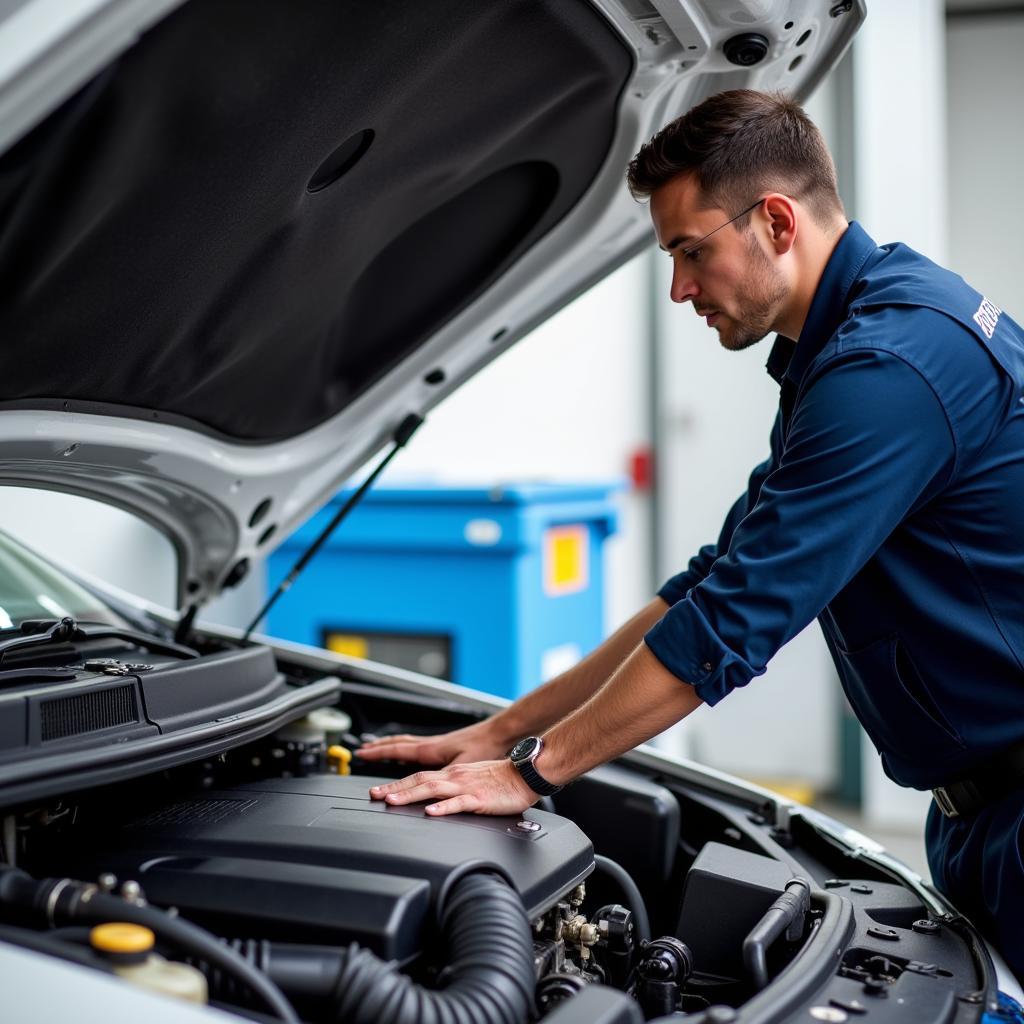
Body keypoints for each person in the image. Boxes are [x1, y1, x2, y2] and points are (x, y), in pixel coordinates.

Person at [358, 89, 1024, 974]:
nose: (678, 289)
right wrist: (497, 733)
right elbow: (706, 588)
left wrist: (531, 775)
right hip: (980, 812)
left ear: (777, 222)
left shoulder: (889, 370)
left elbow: (728, 627)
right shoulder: (857, 345)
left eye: (690, 252)